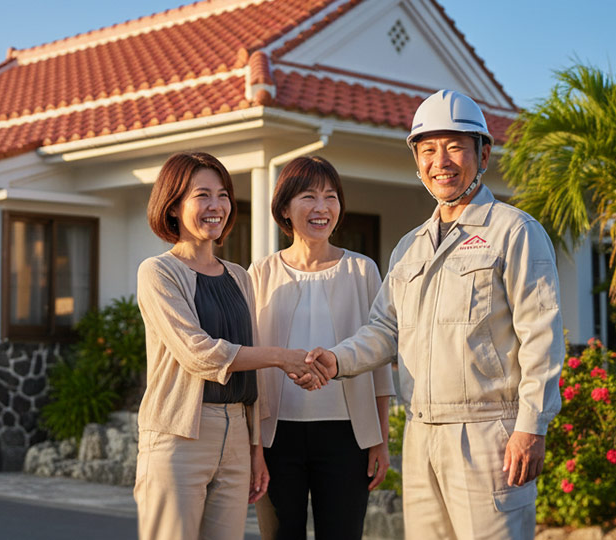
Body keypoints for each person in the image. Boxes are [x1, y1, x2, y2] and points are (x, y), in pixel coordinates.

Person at [307, 90, 565, 540]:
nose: (439, 161)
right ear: (417, 160)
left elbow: (541, 335)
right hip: (421, 433)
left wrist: (531, 426)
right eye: (427, 149)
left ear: (482, 154)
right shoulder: (410, 247)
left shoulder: (516, 231)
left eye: (453, 146)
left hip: (490, 434)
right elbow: (384, 329)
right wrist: (337, 360)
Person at [135, 151, 329, 540]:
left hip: (237, 435)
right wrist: (281, 357)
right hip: (179, 436)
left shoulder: (239, 276)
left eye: (223, 195)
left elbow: (249, 371)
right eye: (202, 195)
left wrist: (256, 448)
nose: (216, 206)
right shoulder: (158, 272)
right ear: (172, 207)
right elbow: (200, 353)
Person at [248, 156, 395, 540]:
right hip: (276, 437)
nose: (322, 208)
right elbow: (249, 362)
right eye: (309, 197)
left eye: (331, 197)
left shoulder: (362, 270)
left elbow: (378, 359)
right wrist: (253, 446)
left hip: (348, 437)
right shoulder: (260, 273)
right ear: (284, 208)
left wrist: (380, 438)